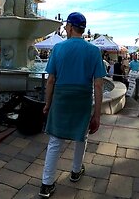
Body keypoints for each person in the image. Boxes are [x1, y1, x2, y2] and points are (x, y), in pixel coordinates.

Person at [39, 12, 106, 198]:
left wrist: (47, 103)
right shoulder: (93, 51)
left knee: (55, 141)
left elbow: (51, 80)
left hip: (61, 97)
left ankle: (46, 184)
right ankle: (76, 171)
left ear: (69, 27)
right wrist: (97, 115)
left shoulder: (58, 49)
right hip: (82, 98)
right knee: (80, 137)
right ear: (83, 29)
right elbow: (98, 84)